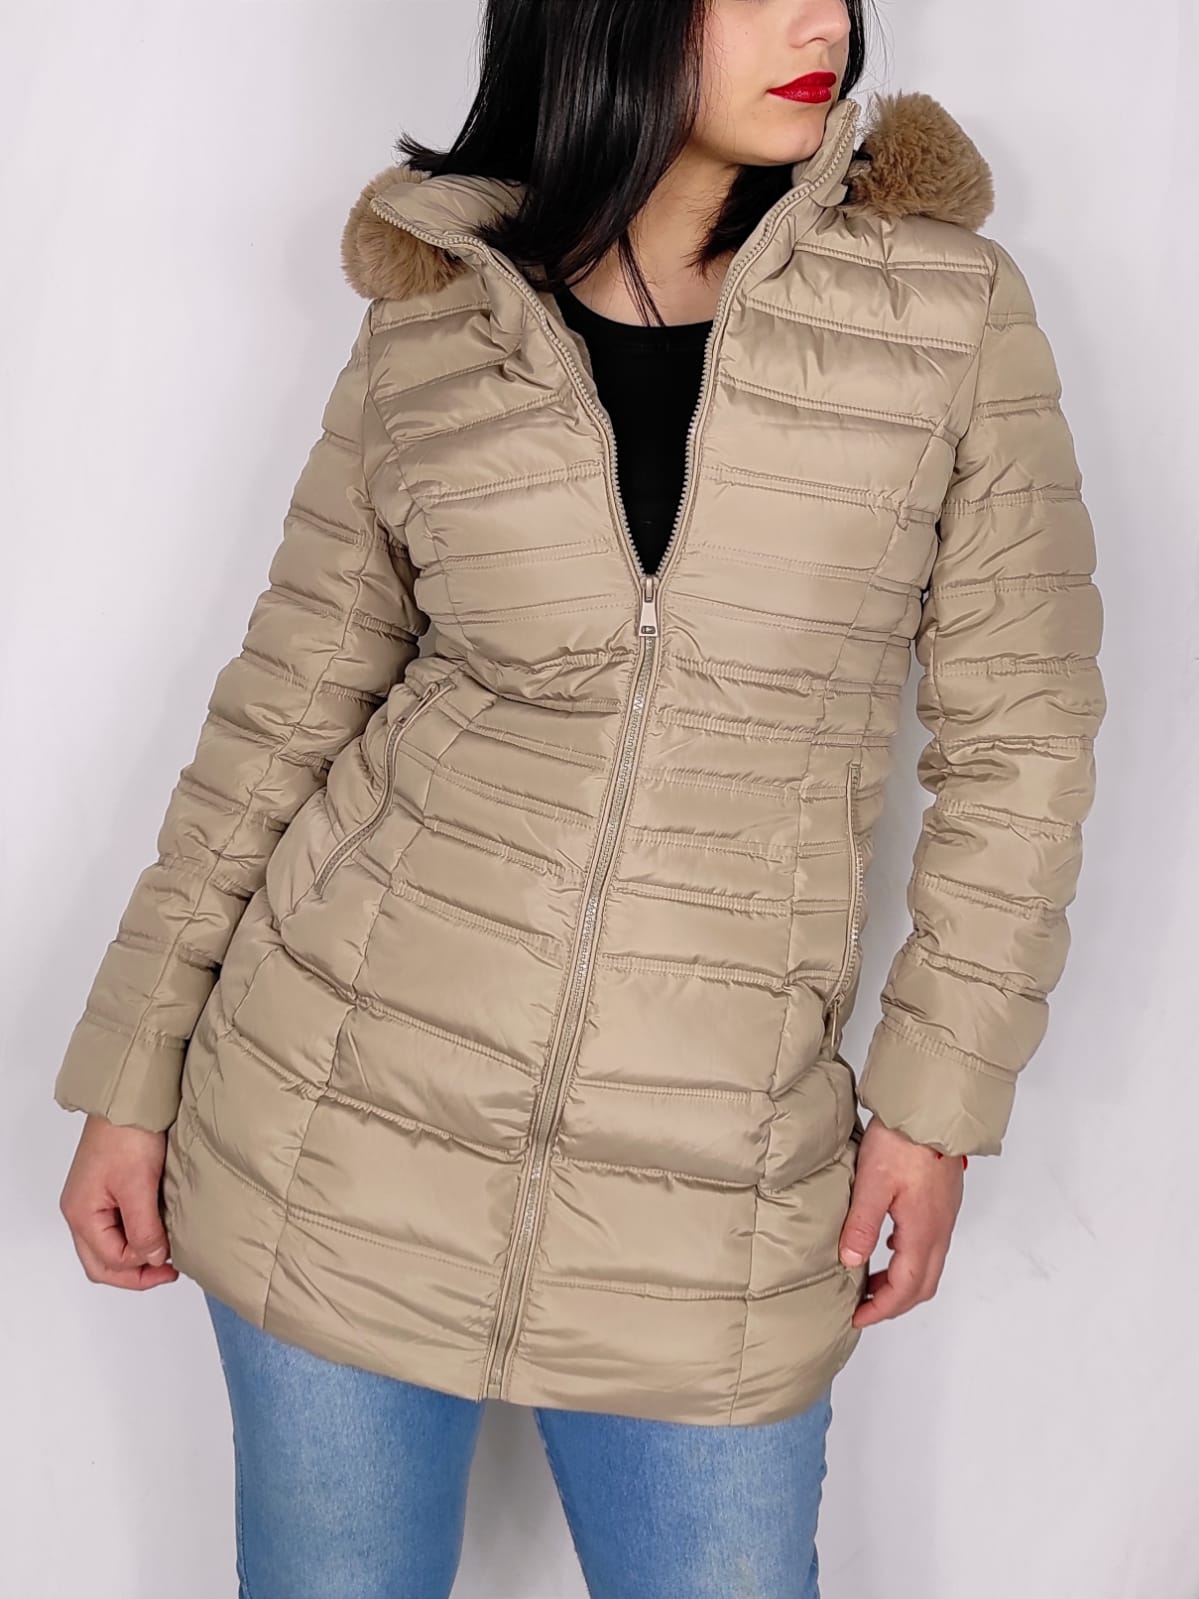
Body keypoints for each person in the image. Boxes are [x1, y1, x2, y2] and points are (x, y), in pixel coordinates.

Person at [53, 1, 1106, 1595]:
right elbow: (283, 710)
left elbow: (1022, 737)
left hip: (718, 1191)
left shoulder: (947, 314)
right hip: (333, 1131)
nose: (820, 19)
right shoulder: (438, 318)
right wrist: (133, 1070)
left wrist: (936, 1104)